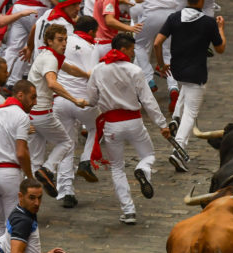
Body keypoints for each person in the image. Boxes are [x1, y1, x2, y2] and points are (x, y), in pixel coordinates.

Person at [87, 33, 170, 225]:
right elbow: (148, 101)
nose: (133, 53)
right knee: (148, 155)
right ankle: (142, 169)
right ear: (123, 49)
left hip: (112, 125)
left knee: (117, 167)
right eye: (132, 49)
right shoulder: (134, 70)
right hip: (134, 122)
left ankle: (128, 210)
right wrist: (162, 125)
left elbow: (91, 99)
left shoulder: (98, 69)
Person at [154, 0, 225, 171]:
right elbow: (220, 48)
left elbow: (157, 43)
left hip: (178, 71)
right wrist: (221, 28)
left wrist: (161, 65)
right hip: (197, 73)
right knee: (191, 114)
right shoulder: (208, 22)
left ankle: (176, 117)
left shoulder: (174, 17)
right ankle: (178, 151)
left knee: (185, 89)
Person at [27, 23, 89, 197]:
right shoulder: (50, 59)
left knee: (35, 161)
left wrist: (87, 74)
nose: (64, 44)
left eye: (66, 40)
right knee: (66, 142)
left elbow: (70, 69)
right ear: (49, 41)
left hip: (31, 115)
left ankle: (29, 199)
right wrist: (75, 99)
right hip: (42, 113)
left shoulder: (49, 55)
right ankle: (48, 169)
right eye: (60, 40)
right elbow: (52, 83)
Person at [54, 15, 101, 208]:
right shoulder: (91, 47)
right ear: (90, 32)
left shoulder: (64, 42)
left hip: (61, 100)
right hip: (81, 100)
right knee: (97, 126)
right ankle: (85, 160)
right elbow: (93, 76)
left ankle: (66, 191)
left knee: (66, 144)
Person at [0, 80, 36, 239]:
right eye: (33, 97)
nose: (35, 102)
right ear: (20, 95)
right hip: (8, 174)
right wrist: (30, 177)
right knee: (13, 222)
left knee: (2, 221)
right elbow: (21, 153)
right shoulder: (21, 116)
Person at [134, 0, 179, 105]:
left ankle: (149, 78)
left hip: (153, 13)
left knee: (139, 45)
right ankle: (173, 87)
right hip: (171, 14)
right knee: (167, 52)